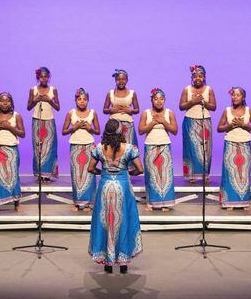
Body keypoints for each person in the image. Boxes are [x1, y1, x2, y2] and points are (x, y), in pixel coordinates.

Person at [88, 119, 143, 274]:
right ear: (121, 132)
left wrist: (103, 173)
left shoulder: (99, 148)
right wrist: (126, 173)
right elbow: (140, 169)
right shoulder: (130, 148)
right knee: (123, 219)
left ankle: (108, 263)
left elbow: (91, 168)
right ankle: (123, 262)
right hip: (123, 187)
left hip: (105, 186)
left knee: (106, 221)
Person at [217, 87, 251, 210]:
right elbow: (219, 128)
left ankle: (243, 201)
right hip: (230, 143)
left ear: (243, 97)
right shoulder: (227, 111)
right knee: (230, 173)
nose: (235, 97)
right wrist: (229, 126)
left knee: (243, 173)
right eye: (233, 95)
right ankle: (230, 202)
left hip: (245, 143)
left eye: (238, 95)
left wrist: (244, 125)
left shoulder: (248, 111)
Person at [138, 88, 177, 212]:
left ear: (164, 100)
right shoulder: (146, 113)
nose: (159, 101)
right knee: (152, 175)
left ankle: (166, 202)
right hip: (150, 145)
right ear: (151, 100)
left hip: (165, 145)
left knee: (165, 175)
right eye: (156, 99)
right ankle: (152, 202)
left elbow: (174, 131)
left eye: (161, 99)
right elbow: (140, 130)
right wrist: (153, 122)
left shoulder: (169, 113)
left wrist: (163, 121)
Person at [0, 92, 25, 212]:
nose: (5, 103)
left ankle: (16, 202)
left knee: (13, 176)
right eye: (2, 101)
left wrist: (10, 128)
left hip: (12, 149)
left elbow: (23, 133)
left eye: (7, 100)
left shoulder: (16, 116)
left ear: (11, 103)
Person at [62, 88, 100, 211]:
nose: (82, 102)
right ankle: (77, 202)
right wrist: (75, 127)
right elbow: (64, 131)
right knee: (77, 174)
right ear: (75, 100)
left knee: (89, 174)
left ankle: (88, 203)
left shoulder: (93, 113)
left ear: (88, 100)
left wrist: (90, 128)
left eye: (84, 99)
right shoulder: (70, 113)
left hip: (89, 145)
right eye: (79, 99)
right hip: (75, 146)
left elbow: (98, 131)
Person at [179, 64, 216, 183]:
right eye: (195, 76)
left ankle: (205, 175)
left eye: (200, 76)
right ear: (192, 77)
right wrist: (192, 102)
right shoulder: (187, 90)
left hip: (205, 121)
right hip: (190, 121)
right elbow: (181, 106)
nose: (198, 79)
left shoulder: (209, 89)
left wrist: (202, 102)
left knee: (205, 149)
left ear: (204, 77)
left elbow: (214, 107)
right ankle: (192, 176)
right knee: (191, 149)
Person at [27, 67, 60, 182]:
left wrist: (50, 100)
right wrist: (35, 100)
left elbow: (58, 107)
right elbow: (28, 107)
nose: (44, 78)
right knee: (38, 148)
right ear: (38, 77)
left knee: (49, 148)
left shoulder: (53, 90)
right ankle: (39, 173)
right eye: (41, 76)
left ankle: (48, 174)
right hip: (37, 121)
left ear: (49, 77)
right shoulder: (33, 90)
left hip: (49, 121)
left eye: (46, 76)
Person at [103, 69, 139, 170]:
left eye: (123, 79)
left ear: (127, 80)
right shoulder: (110, 93)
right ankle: (113, 168)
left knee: (127, 147)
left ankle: (127, 170)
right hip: (113, 125)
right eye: (118, 79)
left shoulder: (132, 93)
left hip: (127, 126)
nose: (121, 81)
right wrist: (111, 110)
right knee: (113, 146)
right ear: (115, 80)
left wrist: (130, 110)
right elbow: (104, 110)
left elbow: (137, 109)